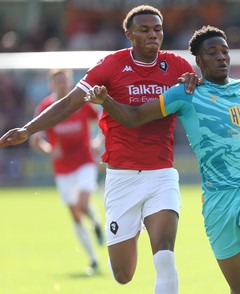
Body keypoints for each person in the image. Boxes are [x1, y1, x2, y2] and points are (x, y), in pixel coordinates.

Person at [85, 25, 240, 294]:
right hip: (218, 196)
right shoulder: (184, 93)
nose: (221, 57)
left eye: (225, 51)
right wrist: (106, 101)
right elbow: (136, 117)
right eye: (212, 53)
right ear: (199, 62)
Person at [0, 5, 199, 294]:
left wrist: (198, 84)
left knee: (165, 254)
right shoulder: (110, 66)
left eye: (158, 29)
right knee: (123, 275)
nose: (153, 34)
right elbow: (69, 103)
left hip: (161, 175)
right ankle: (136, 226)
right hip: (121, 179)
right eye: (144, 30)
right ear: (128, 34)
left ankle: (152, 224)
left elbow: (206, 104)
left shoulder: (178, 66)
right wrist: (28, 129)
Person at [29, 68, 104, 274]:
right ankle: (93, 259)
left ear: (71, 82)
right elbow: (35, 138)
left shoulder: (80, 102)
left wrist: (98, 141)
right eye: (58, 81)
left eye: (65, 80)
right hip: (63, 169)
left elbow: (102, 120)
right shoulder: (46, 106)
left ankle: (96, 222)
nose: (62, 84)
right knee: (75, 213)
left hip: (84, 162)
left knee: (81, 203)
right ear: (51, 84)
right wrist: (50, 150)